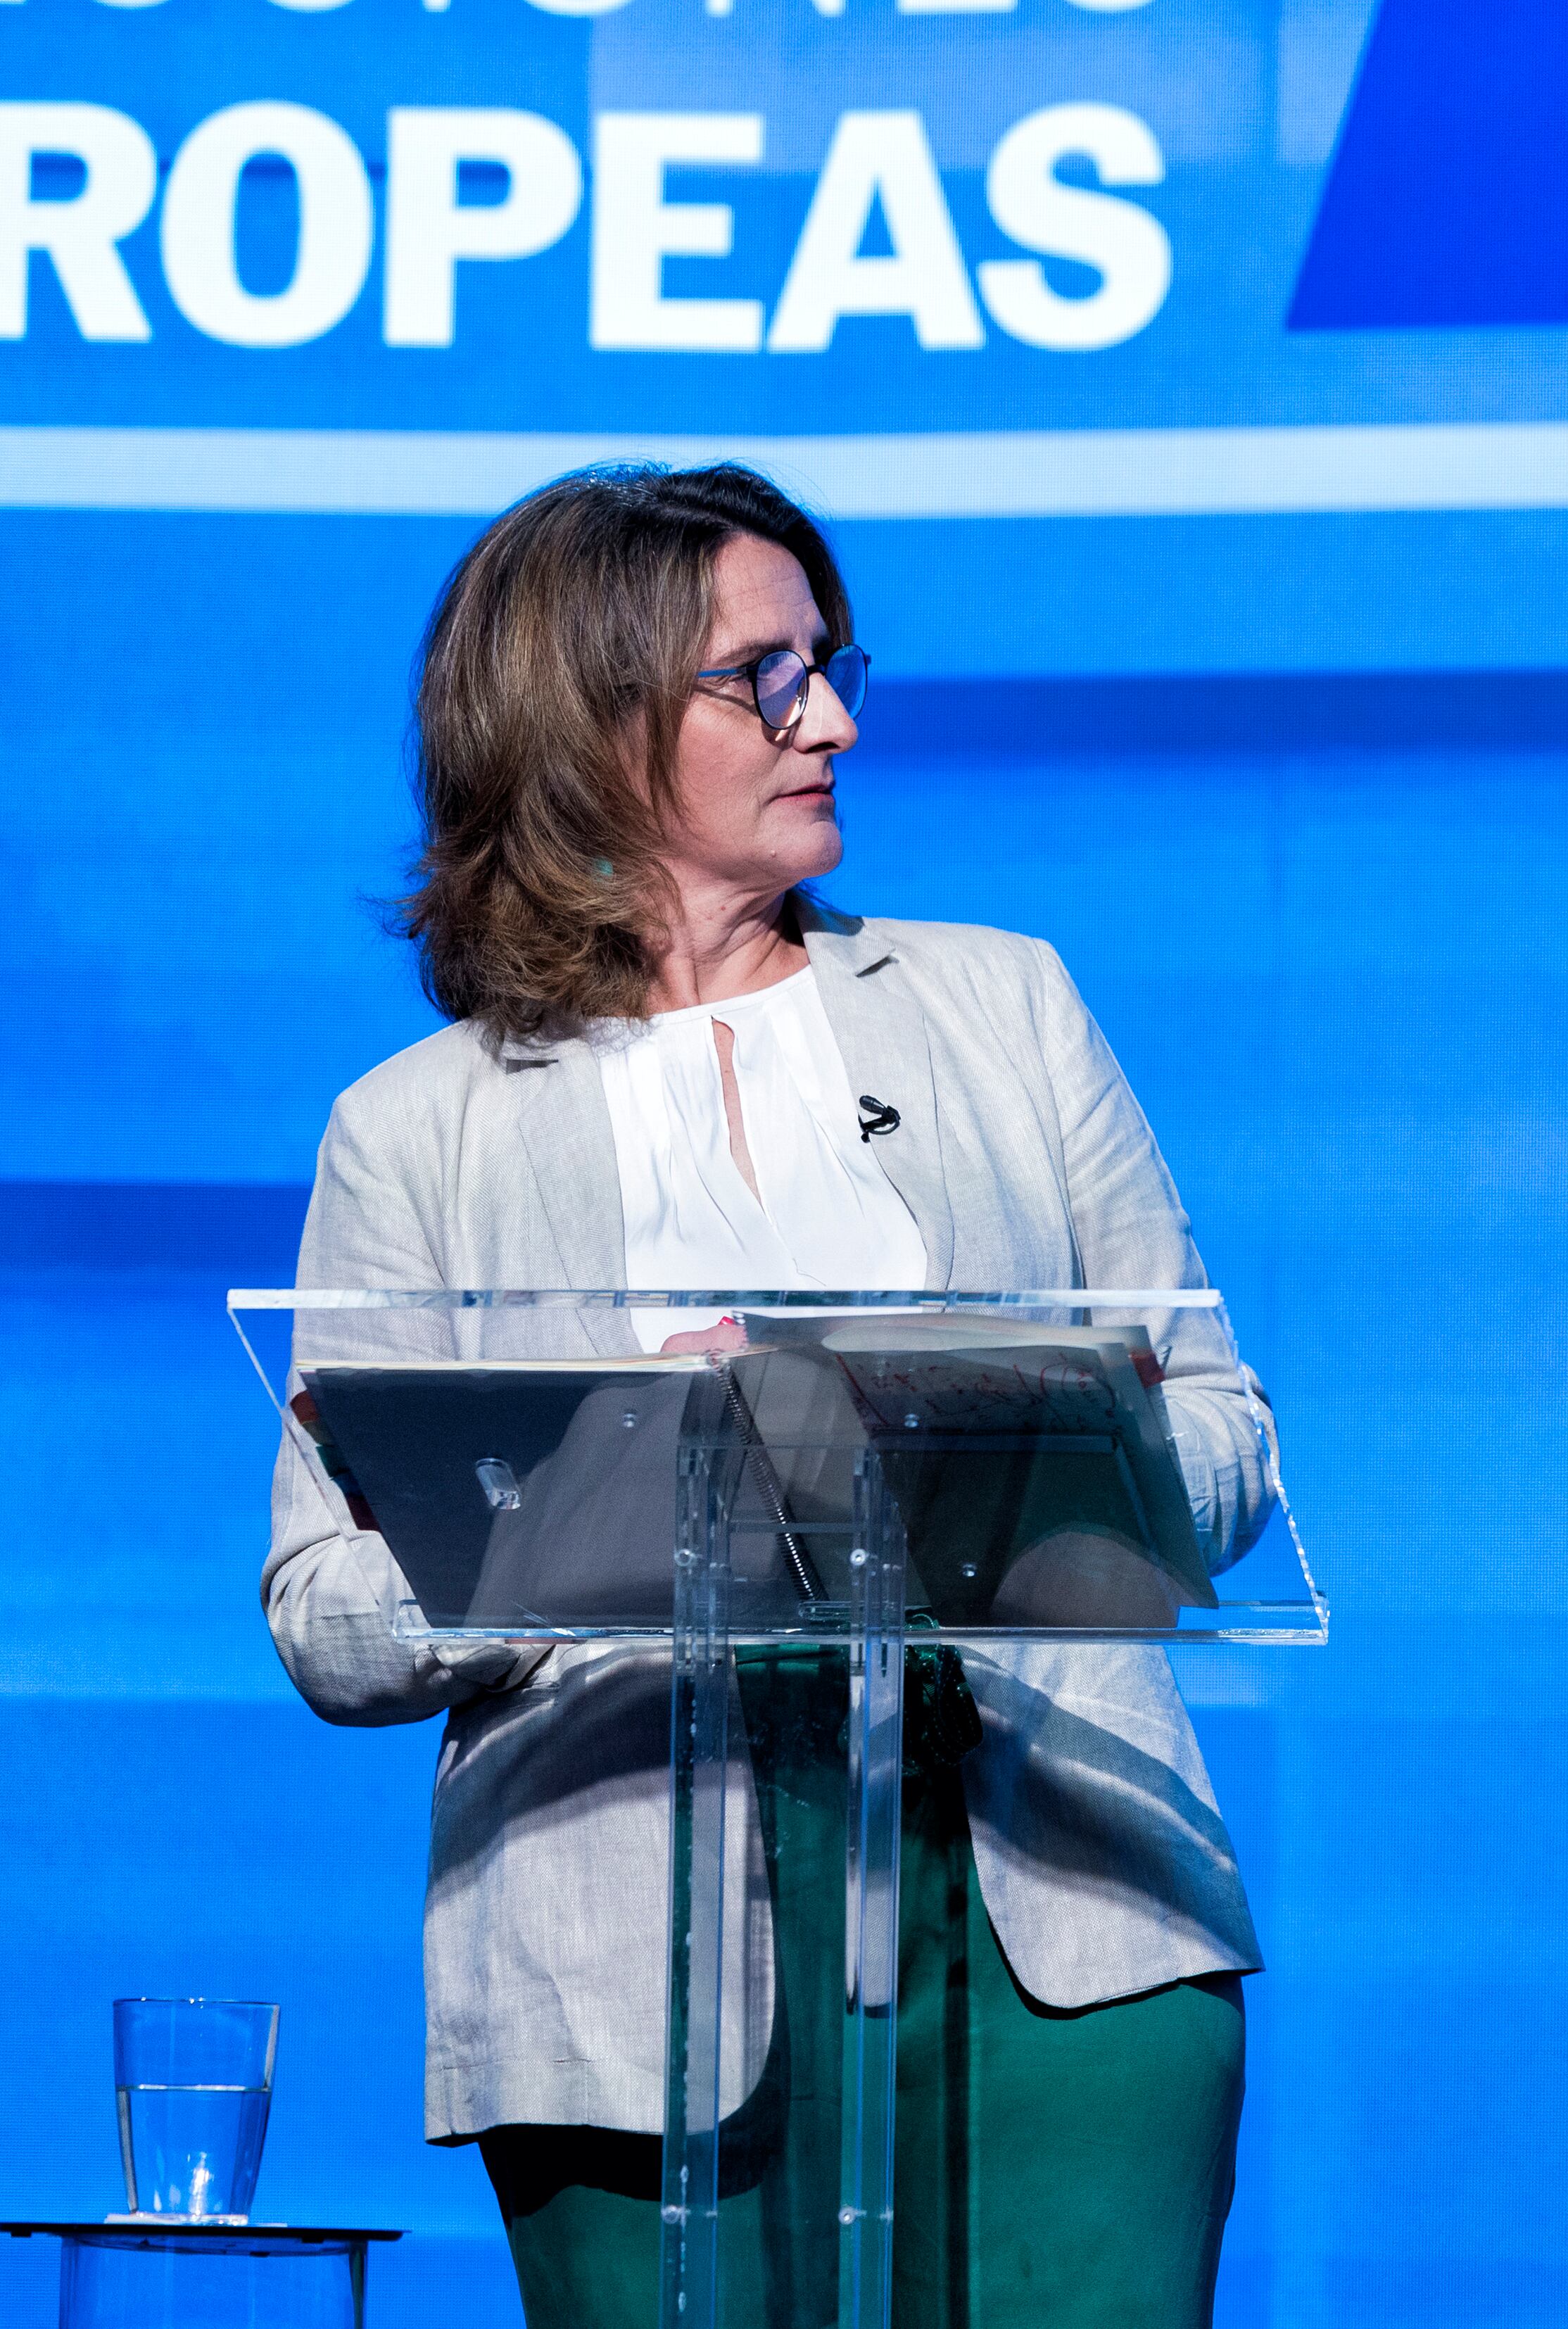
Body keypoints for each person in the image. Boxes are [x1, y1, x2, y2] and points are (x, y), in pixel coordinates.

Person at [263, 464, 1260, 2329]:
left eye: (832, 663)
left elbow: (1223, 1448)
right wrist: (611, 1480)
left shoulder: (1006, 1008)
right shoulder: (414, 1134)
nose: (837, 722)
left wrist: (1013, 1431)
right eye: (767, 677)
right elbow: (330, 1627)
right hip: (619, 1951)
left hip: (1060, 1909)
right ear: (594, 718)